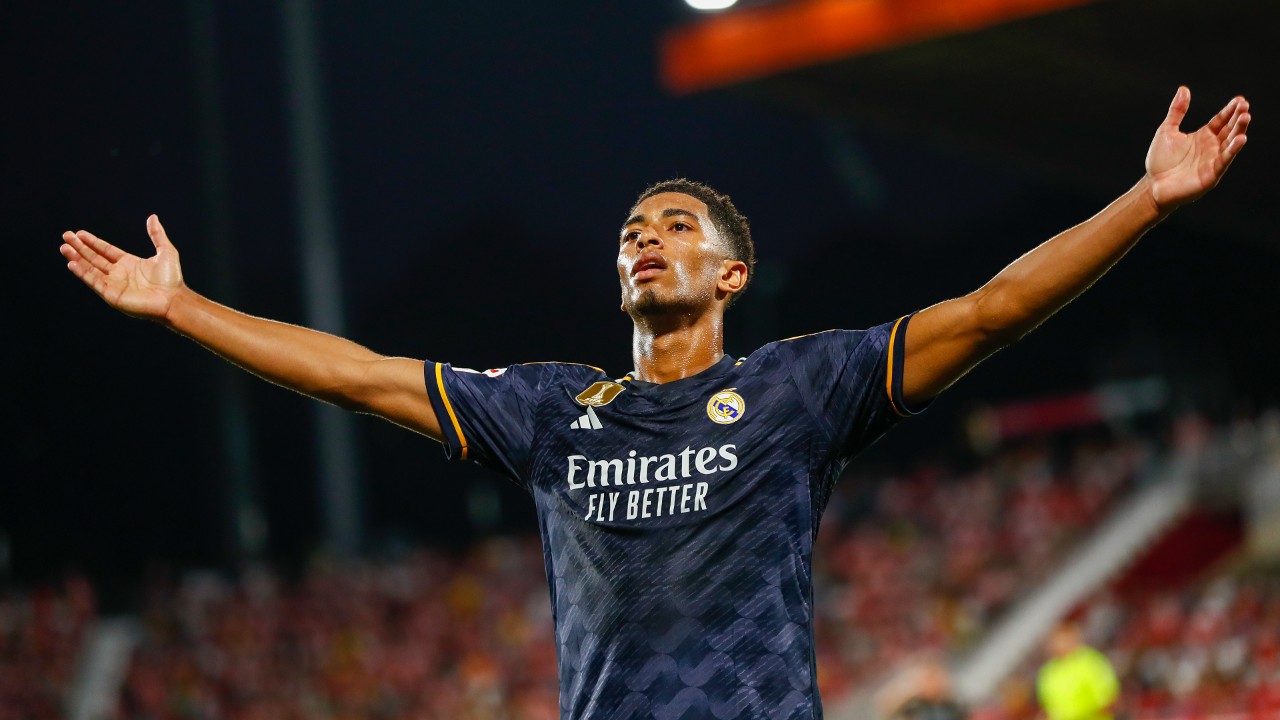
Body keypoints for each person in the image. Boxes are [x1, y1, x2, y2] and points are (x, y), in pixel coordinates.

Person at [59, 87, 1247, 719]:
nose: (645, 239)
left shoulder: (797, 387)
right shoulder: (549, 412)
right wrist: (186, 310)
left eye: (676, 227)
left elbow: (988, 312)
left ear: (731, 272)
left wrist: (1142, 202)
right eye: (632, 229)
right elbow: (358, 374)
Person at [1037, 621, 1120, 720]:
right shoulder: (1047, 674)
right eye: (1056, 640)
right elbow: (1048, 709)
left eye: (1063, 638)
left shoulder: (1090, 661)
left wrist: (1079, 713)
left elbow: (1110, 700)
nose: (1059, 643)